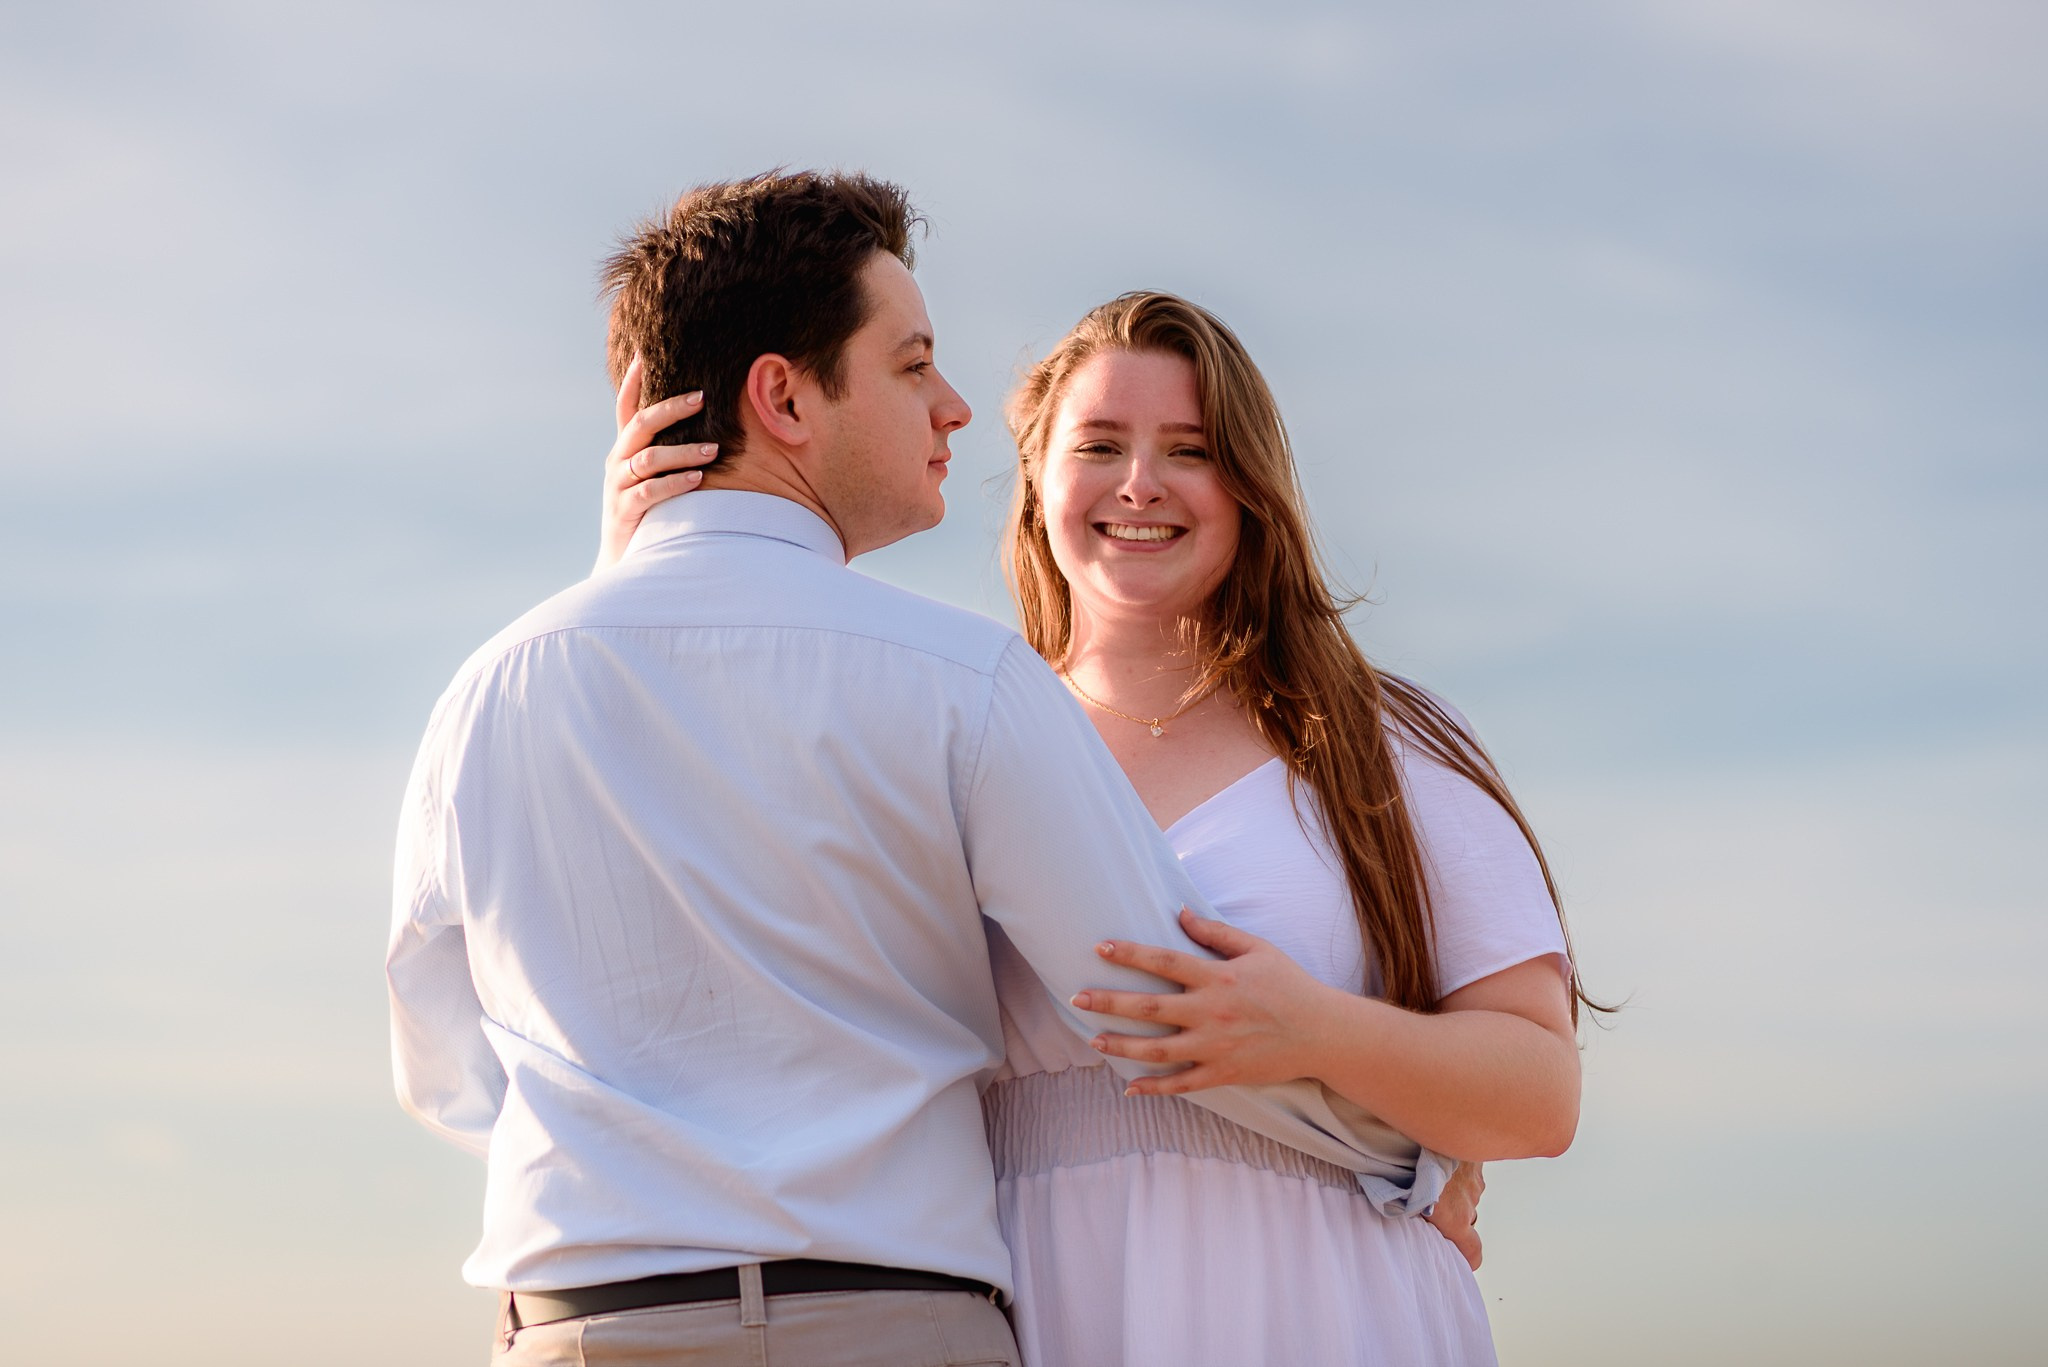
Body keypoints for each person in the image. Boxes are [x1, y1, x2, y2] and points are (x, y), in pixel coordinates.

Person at [390, 172, 1459, 1367]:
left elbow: (448, 1070)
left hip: (580, 1329)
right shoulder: (967, 680)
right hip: (887, 1324)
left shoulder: (488, 689)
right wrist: (1404, 1157)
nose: (954, 408)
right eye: (911, 365)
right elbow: (1158, 1009)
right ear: (782, 397)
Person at [602, 290, 1593, 1365]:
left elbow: (1538, 1093)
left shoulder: (1378, 742)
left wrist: (1317, 1031)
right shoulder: (941, 734)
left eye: (1190, 449)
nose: (1139, 482)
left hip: (1327, 1297)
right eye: (1100, 444)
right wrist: (638, 576)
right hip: (1030, 1294)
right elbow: (706, 899)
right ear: (1036, 478)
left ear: (1250, 485)